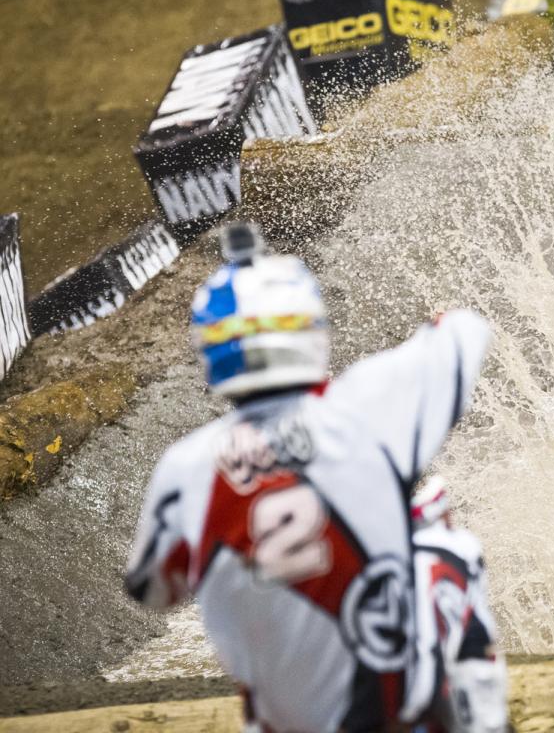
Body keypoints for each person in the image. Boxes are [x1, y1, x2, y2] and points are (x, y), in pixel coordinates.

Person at [124, 224, 508, 733]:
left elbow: (152, 589)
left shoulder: (185, 466)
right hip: (389, 720)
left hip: (284, 724)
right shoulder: (365, 406)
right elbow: (467, 331)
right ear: (309, 328)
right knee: (442, 540)